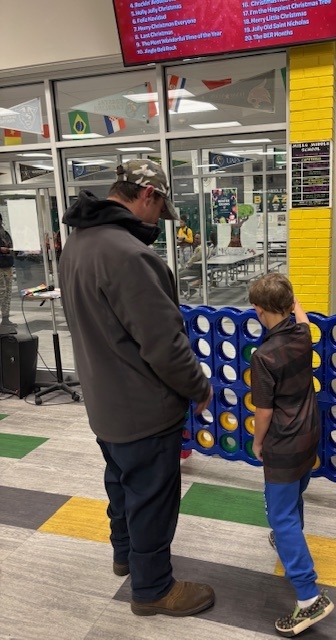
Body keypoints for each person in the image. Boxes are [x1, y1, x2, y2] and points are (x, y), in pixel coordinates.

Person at [59, 160, 215, 618]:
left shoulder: (78, 245)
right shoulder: (130, 256)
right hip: (143, 408)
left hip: (103, 401)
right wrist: (198, 387)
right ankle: (152, 589)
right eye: (160, 209)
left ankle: (124, 554)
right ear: (148, 195)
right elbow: (164, 345)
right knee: (152, 495)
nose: (157, 221)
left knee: (121, 483)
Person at [248, 273, 334, 637]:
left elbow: (263, 412)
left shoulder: (263, 356)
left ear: (258, 310)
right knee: (295, 497)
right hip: (310, 432)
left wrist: (257, 442)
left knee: (280, 514)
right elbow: (303, 315)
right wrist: (291, 296)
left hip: (283, 442)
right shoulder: (303, 334)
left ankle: (308, 597)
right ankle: (288, 540)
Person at [0, 214, 16, 334]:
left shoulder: (5, 233)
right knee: (1, 291)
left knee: (8, 293)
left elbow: (11, 244)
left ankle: (6, 318)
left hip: (7, 265)